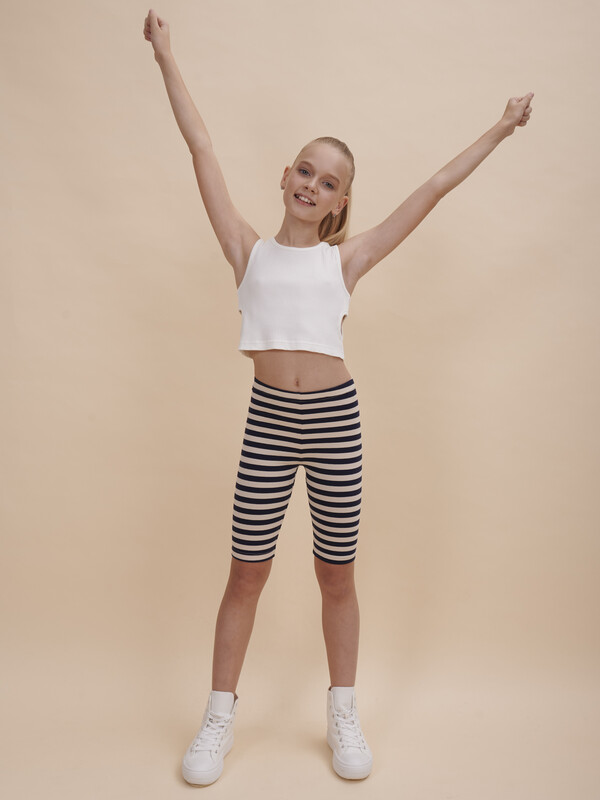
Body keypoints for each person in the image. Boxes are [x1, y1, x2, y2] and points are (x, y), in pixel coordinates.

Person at [142, 8, 533, 786]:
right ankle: (218, 717)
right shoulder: (245, 249)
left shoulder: (345, 262)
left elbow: (432, 189)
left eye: (329, 182)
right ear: (285, 176)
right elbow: (201, 146)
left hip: (333, 422)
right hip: (268, 421)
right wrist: (164, 56)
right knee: (246, 572)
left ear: (339, 203)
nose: (312, 185)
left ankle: (342, 711)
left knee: (335, 573)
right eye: (305, 170)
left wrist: (499, 128)